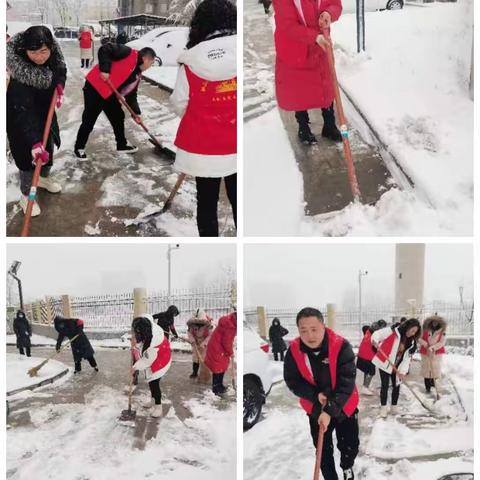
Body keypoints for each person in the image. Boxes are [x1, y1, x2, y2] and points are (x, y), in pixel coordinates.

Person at [170, 0, 237, 237]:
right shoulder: (240, 51)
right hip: (237, 144)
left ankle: (210, 247)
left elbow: (179, 103)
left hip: (203, 147)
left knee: (207, 202)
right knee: (238, 199)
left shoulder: (191, 61)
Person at [284, 307, 359, 480]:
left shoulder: (341, 346)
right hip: (315, 406)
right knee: (322, 450)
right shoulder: (294, 351)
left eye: (314, 329)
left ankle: (347, 467)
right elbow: (292, 380)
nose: (310, 335)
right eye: (304, 330)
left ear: (323, 326)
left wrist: (330, 410)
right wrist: (314, 395)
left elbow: (347, 381)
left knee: (350, 444)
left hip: (344, 403)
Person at [7, 26, 67, 216]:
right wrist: (34, 141)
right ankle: (26, 195)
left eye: (43, 51)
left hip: (45, 116)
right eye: (34, 52)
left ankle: (41, 179)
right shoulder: (20, 77)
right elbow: (23, 113)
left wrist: (60, 85)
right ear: (25, 50)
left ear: (51, 48)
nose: (40, 57)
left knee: (47, 153)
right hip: (22, 122)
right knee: (28, 160)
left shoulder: (54, 59)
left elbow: (61, 70)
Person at [273, 0, 343, 145]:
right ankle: (303, 127)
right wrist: (314, 37)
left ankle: (329, 125)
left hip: (321, 44)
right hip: (295, 47)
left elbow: (335, 4)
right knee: (299, 90)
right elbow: (287, 25)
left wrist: (328, 13)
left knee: (325, 85)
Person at [74, 43, 157, 159]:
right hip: (95, 88)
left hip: (109, 93)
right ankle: (79, 147)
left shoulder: (137, 75)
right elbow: (105, 49)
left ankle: (121, 145)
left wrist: (136, 113)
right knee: (89, 119)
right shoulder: (128, 52)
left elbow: (131, 95)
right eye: (151, 63)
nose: (150, 66)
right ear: (146, 59)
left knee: (118, 116)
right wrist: (105, 69)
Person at [371, 318, 421, 418]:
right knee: (384, 386)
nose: (413, 333)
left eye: (415, 332)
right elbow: (377, 334)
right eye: (413, 330)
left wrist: (403, 371)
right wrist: (375, 341)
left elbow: (407, 359)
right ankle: (383, 408)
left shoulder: (412, 343)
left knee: (396, 386)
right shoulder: (393, 331)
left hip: (398, 365)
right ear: (408, 327)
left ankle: (394, 407)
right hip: (386, 363)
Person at [131, 315, 172, 417]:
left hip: (160, 361)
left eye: (138, 332)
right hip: (157, 356)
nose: (136, 333)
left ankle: (158, 407)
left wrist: (134, 367)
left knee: (154, 383)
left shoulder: (153, 343)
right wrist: (135, 343)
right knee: (151, 382)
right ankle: (153, 401)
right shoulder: (147, 327)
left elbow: (146, 361)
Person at [204, 311, 237, 395]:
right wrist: (231, 352)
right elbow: (226, 341)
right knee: (218, 368)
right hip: (218, 348)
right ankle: (216, 388)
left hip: (217, 346)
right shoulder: (230, 326)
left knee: (220, 367)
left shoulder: (229, 321)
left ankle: (219, 385)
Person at [356, 319, 386, 395]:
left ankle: (365, 386)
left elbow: (364, 327)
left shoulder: (370, 329)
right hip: (367, 355)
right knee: (371, 372)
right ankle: (365, 387)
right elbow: (375, 346)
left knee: (367, 371)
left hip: (362, 353)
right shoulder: (376, 333)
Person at [419, 315, 446, 396]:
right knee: (426, 370)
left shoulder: (442, 332)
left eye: (436, 322)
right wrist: (425, 344)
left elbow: (442, 342)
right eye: (433, 322)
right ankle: (427, 387)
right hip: (425, 352)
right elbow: (419, 339)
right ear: (430, 322)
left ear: (439, 323)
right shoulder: (425, 330)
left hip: (436, 353)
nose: (435, 323)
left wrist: (433, 348)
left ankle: (434, 386)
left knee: (435, 369)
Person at [186, 309, 213, 378]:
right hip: (195, 342)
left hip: (204, 342)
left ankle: (204, 372)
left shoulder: (209, 325)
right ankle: (194, 373)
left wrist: (204, 343)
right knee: (195, 358)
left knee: (203, 358)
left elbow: (211, 335)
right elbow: (189, 333)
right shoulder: (192, 324)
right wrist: (192, 341)